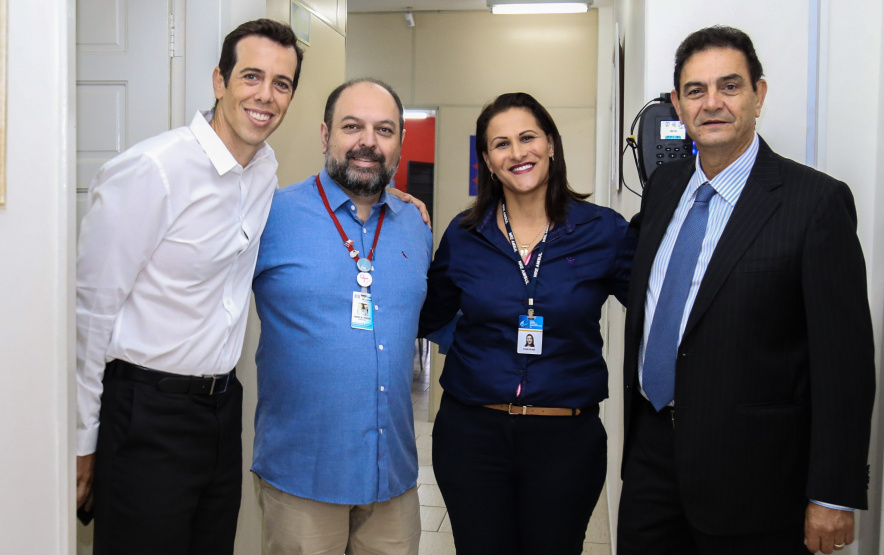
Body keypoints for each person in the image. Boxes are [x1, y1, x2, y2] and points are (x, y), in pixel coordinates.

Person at [617, 26, 875, 555]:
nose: (712, 103)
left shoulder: (814, 204)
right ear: (677, 105)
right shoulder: (664, 190)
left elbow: (844, 363)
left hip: (755, 481)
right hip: (651, 463)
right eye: (695, 91)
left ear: (759, 95)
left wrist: (833, 492)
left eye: (729, 87)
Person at [74, 19, 303, 554]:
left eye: (282, 83)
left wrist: (386, 199)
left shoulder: (264, 170)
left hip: (222, 413)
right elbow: (89, 313)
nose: (265, 96)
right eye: (251, 77)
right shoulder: (152, 171)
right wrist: (82, 441)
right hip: (146, 413)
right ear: (219, 81)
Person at [419, 92, 636, 554]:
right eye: (501, 144)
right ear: (488, 161)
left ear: (552, 144)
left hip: (565, 441)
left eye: (528, 137)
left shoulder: (605, 232)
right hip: (471, 437)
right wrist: (388, 210)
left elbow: (659, 305)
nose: (517, 153)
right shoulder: (464, 234)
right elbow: (426, 313)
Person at [251, 78, 431, 555]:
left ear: (399, 143)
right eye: (353, 126)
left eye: (384, 129)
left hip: (392, 479)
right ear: (325, 134)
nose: (368, 141)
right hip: (302, 479)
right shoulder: (271, 215)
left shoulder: (415, 225)